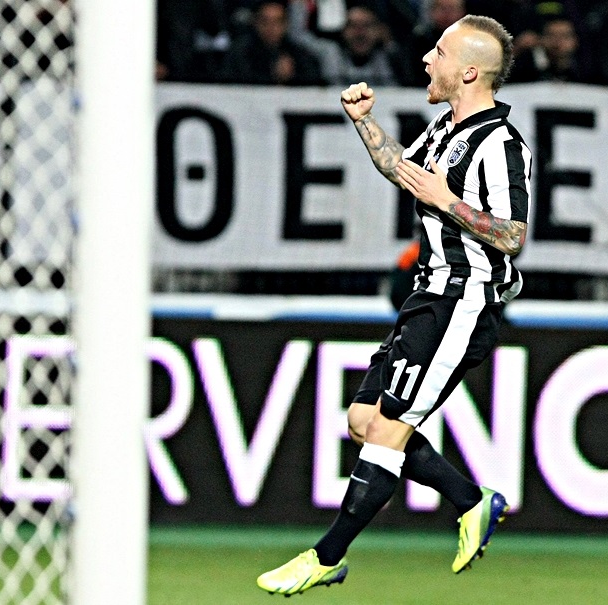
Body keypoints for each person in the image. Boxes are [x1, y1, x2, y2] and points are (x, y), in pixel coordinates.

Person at [257, 13, 529, 596]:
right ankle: (470, 501)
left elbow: (513, 235)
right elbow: (400, 170)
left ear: (470, 72)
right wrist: (364, 122)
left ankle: (325, 556)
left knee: (387, 429)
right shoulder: (444, 131)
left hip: (461, 299)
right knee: (363, 421)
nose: (427, 59)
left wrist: (450, 202)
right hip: (426, 296)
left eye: (440, 52)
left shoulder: (501, 144)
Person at [221, 0, 324, 85]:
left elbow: (313, 83)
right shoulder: (240, 52)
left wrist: (292, 76)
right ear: (255, 23)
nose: (271, 28)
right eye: (265, 21)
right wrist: (272, 76)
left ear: (286, 24)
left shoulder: (299, 54)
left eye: (277, 22)